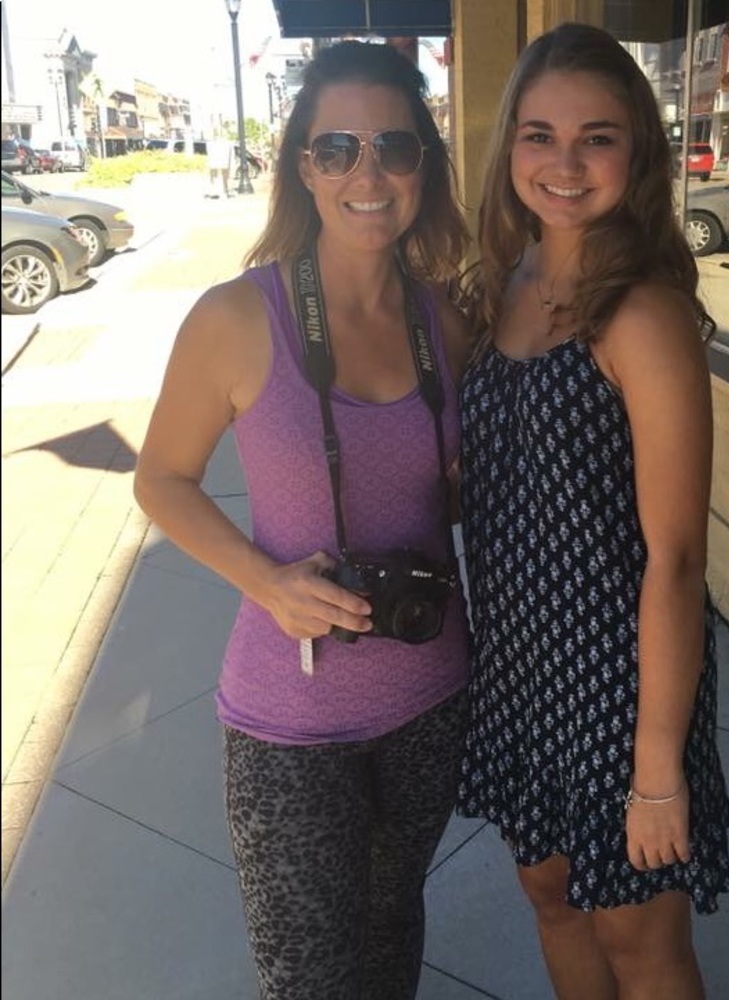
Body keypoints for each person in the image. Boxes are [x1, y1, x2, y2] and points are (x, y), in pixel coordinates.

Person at [134, 40, 471, 1000]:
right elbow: (161, 479)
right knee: (308, 980)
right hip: (290, 721)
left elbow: (445, 490)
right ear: (302, 166)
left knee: (394, 931)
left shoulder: (446, 322)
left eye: (395, 147)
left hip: (432, 695)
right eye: (338, 148)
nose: (369, 173)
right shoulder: (237, 317)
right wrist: (264, 581)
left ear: (424, 165)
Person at [455, 23, 729, 1000]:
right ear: (510, 151)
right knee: (551, 896)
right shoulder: (498, 291)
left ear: (638, 152)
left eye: (596, 137)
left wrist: (657, 768)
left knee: (638, 939)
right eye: (538, 135)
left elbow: (679, 558)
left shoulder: (641, 313)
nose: (563, 164)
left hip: (621, 678)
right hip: (521, 664)